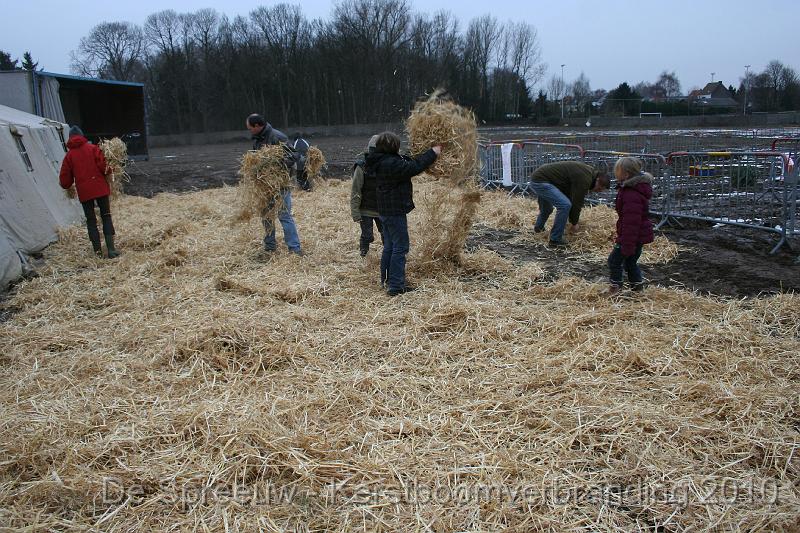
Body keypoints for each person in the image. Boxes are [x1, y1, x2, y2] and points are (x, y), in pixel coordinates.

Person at [365, 131, 441, 296]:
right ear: (392, 147)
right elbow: (413, 167)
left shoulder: (380, 160)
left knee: (390, 247)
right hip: (394, 211)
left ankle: (386, 280)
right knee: (400, 247)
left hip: (385, 210)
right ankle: (396, 286)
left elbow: (406, 162)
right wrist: (432, 152)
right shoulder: (389, 163)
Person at [59, 125, 119, 258]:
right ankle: (111, 250)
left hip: (85, 193)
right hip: (100, 188)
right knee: (106, 216)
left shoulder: (69, 156)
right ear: (82, 136)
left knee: (91, 221)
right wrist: (111, 170)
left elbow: (65, 182)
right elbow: (105, 168)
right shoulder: (93, 149)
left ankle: (98, 254)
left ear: (70, 139)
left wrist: (70, 184)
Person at [246, 114, 302, 256]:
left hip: (280, 183)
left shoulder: (277, 137)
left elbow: (294, 155)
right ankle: (270, 247)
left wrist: (275, 164)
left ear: (257, 126)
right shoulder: (258, 139)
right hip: (265, 185)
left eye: (250, 128)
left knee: (284, 216)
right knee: (266, 215)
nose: (249, 131)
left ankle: (295, 249)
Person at [528, 161, 610, 246]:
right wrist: (574, 223)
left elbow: (570, 194)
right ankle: (555, 239)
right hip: (541, 181)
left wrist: (571, 219)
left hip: (542, 178)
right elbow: (576, 202)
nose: (597, 192)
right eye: (599, 189)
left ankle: (538, 228)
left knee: (547, 208)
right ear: (597, 180)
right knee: (564, 205)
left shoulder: (589, 173)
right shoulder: (585, 179)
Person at [608, 157, 654, 294]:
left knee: (614, 261)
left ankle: (615, 288)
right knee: (630, 262)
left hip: (632, 236)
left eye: (617, 171)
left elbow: (631, 222)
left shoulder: (631, 193)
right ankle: (637, 288)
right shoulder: (630, 189)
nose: (615, 173)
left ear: (626, 174)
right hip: (636, 235)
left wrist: (627, 244)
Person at [350, 135, 383, 257]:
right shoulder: (362, 166)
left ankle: (388, 254)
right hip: (365, 209)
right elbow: (356, 189)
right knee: (367, 236)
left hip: (382, 209)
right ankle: (364, 252)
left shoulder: (387, 164)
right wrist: (355, 211)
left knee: (386, 235)